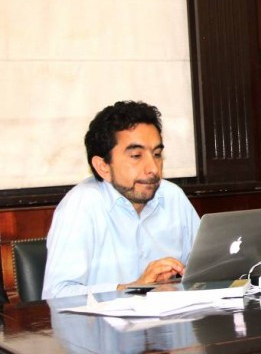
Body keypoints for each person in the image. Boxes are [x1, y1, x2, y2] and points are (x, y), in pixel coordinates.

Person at [42, 101, 201, 299]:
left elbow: (205, 269)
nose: (153, 168)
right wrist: (134, 287)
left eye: (157, 154)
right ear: (103, 167)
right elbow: (56, 295)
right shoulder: (81, 205)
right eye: (136, 155)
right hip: (105, 329)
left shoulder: (172, 196)